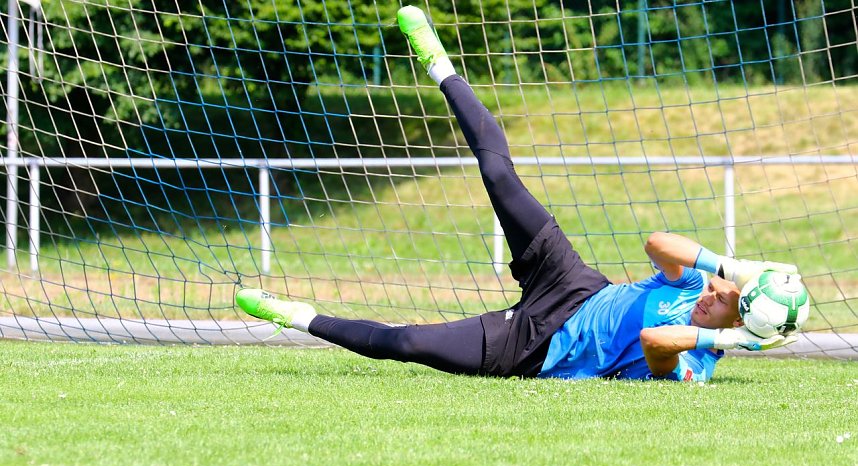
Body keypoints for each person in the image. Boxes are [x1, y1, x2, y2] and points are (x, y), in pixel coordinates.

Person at [235, 6, 798, 382]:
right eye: (728, 283)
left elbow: (654, 341)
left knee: (406, 343)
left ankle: (299, 317)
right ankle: (439, 63)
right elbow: (656, 243)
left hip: (535, 346)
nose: (715, 290)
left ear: (736, 324)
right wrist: (730, 265)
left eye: (727, 298)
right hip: (574, 283)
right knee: (501, 177)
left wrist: (733, 341)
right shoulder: (705, 280)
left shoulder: (698, 360)